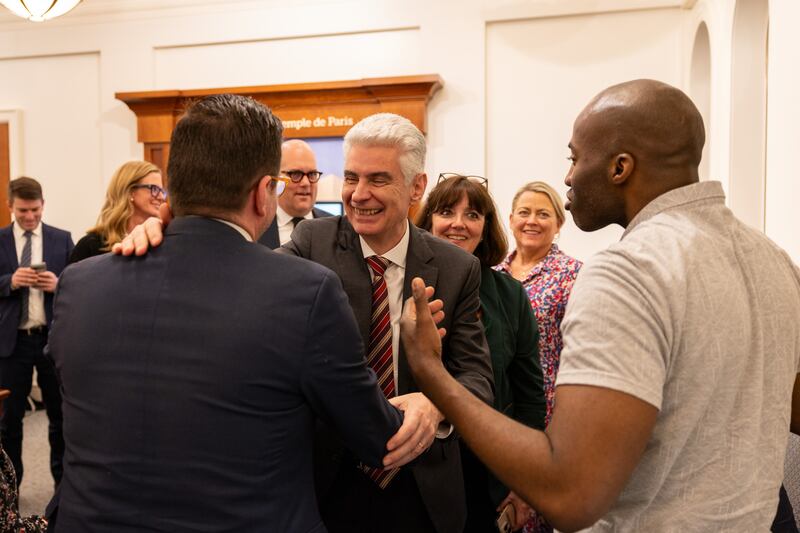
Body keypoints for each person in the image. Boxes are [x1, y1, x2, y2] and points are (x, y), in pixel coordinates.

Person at [397, 79, 800, 532]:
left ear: (620, 167)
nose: (568, 176)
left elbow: (570, 495)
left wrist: (431, 371)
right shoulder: (774, 258)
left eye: (574, 158)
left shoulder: (628, 271)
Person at [111, 112, 493, 533]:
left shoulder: (458, 268)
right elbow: (236, 274)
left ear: (417, 185)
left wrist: (436, 403)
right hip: (325, 482)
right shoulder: (312, 244)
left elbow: (478, 376)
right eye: (351, 178)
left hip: (423, 487)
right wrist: (166, 233)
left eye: (378, 180)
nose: (359, 194)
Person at [45, 94, 406, 532]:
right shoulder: (305, 292)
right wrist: (428, 399)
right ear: (261, 193)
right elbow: (377, 438)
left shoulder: (78, 285)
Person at [414, 173, 545, 532]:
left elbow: (530, 397)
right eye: (446, 212)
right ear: (427, 221)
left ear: (486, 229)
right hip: (414, 468)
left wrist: (524, 482)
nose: (458, 224)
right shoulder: (404, 282)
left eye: (472, 215)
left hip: (489, 470)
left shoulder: (509, 295)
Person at [0, 177, 73, 489]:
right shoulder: (0, 240)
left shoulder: (61, 238)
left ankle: (63, 492)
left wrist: (59, 285)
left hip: (51, 340)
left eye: (35, 210)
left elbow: (79, 282)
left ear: (43, 205)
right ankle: (9, 495)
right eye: (22, 211)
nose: (29, 217)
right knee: (9, 424)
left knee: (60, 420)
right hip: (11, 344)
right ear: (10, 206)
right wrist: (10, 282)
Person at [497, 182, 581, 429]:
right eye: (524, 212)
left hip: (549, 410)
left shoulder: (573, 275)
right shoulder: (492, 272)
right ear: (511, 220)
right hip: (495, 405)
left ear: (558, 225)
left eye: (543, 214)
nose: (531, 221)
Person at [69, 160, 165, 263]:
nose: (160, 197)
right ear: (130, 192)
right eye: (154, 189)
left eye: (162, 191)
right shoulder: (90, 245)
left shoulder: (160, 239)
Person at [257, 139, 331, 249]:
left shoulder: (334, 228)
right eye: (296, 174)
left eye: (312, 174)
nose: (306, 183)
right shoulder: (256, 228)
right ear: (276, 178)